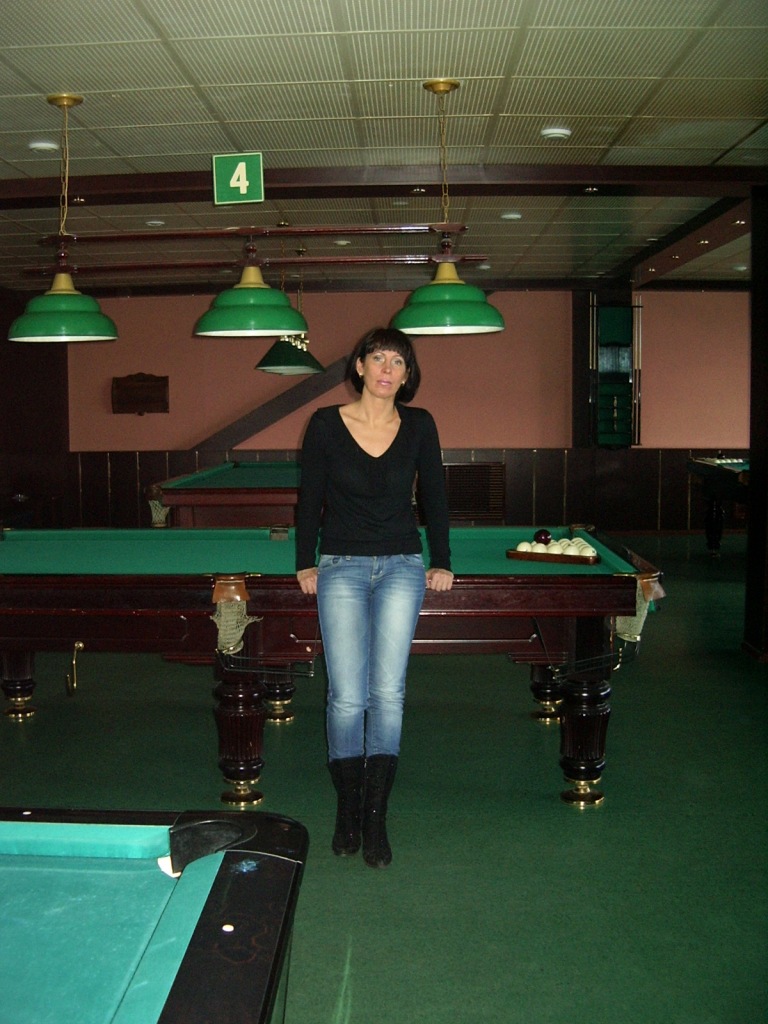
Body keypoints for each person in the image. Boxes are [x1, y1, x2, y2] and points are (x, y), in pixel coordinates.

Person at [295, 326, 453, 868]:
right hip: (340, 565)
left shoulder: (420, 425)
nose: (387, 368)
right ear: (359, 366)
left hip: (402, 566)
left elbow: (435, 494)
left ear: (407, 375)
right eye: (379, 358)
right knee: (345, 696)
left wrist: (442, 559)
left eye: (398, 361)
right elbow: (309, 497)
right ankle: (348, 810)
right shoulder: (324, 424)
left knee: (387, 693)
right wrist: (304, 560)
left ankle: (375, 818)